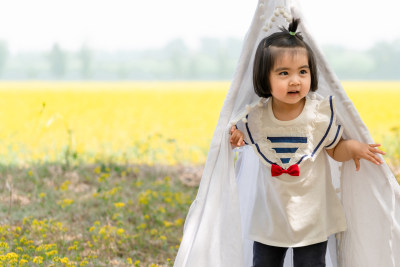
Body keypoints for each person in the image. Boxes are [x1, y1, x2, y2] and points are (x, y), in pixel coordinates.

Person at [229, 18, 385, 267]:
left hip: (312, 214)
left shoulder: (318, 115)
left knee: (311, 263)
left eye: (303, 71)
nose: (295, 80)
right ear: (264, 78)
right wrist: (237, 137)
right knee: (264, 263)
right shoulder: (257, 116)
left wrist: (353, 148)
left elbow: (334, 148)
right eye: (284, 73)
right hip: (271, 214)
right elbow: (241, 137)